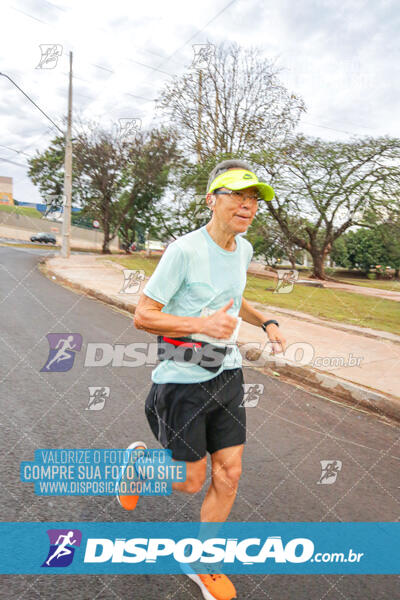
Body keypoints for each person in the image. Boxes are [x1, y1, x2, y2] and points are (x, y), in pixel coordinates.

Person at [118, 159, 286, 600]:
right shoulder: (183, 251)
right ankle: (137, 467)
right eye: (238, 195)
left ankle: (202, 560)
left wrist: (265, 320)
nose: (247, 206)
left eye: (254, 200)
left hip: (227, 374)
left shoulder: (243, 250)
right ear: (212, 199)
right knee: (191, 480)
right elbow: (143, 315)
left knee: (229, 474)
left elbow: (234, 296)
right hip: (182, 381)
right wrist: (200, 324)